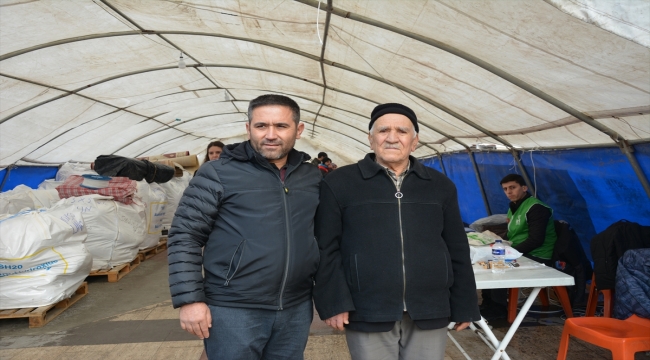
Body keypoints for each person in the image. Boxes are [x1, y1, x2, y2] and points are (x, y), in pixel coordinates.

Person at [313, 103, 481, 360]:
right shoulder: (340, 183)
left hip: (430, 306)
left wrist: (465, 304)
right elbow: (326, 247)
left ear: (415, 142)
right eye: (383, 131)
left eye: (402, 131)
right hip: (367, 307)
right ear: (371, 139)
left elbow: (457, 247)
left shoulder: (439, 186)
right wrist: (334, 302)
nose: (392, 138)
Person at [168, 94, 322, 360]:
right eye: (262, 126)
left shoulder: (311, 176)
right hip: (234, 308)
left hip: (295, 307)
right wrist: (190, 300)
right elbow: (185, 236)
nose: (270, 135)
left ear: (298, 130)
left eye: (281, 126)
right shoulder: (218, 173)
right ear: (248, 127)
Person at [480, 173, 558, 319]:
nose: (509, 192)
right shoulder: (514, 207)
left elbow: (536, 240)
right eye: (505, 189)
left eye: (513, 187)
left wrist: (508, 253)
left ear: (524, 188)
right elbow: (511, 235)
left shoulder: (536, 208)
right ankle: (488, 304)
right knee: (487, 261)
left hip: (538, 255)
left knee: (497, 265)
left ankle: (498, 310)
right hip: (519, 251)